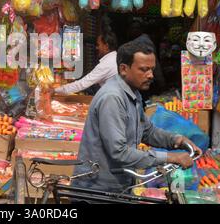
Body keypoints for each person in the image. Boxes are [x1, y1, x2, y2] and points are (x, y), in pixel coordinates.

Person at [72, 41, 202, 193]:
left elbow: (147, 131)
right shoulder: (112, 98)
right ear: (123, 69)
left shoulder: (133, 93)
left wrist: (177, 140)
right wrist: (170, 157)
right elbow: (119, 152)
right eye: (144, 70)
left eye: (152, 69)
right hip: (99, 189)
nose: (150, 75)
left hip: (119, 184)